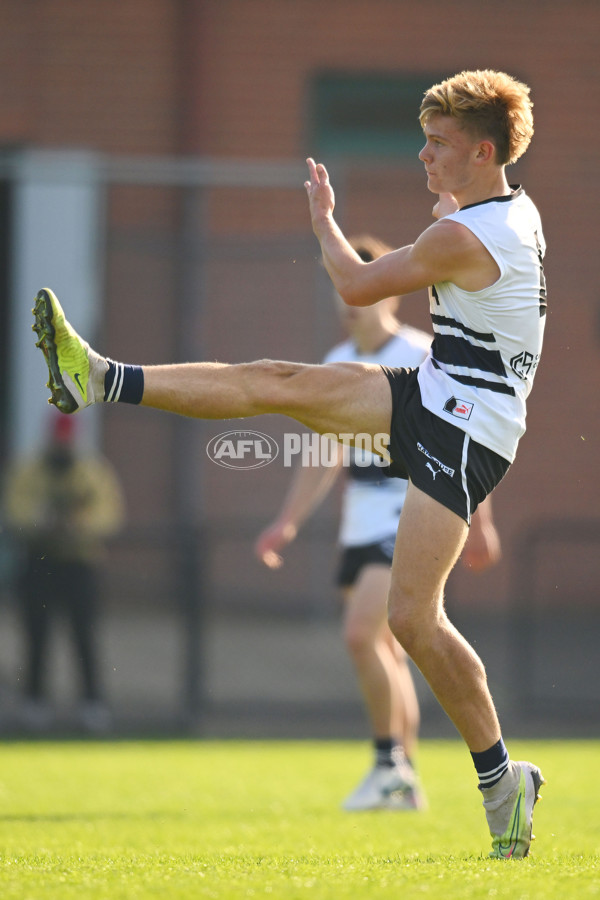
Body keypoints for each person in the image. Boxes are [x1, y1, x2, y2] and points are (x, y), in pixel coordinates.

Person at [32, 69, 545, 857]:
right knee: (280, 379)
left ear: (483, 151)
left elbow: (354, 281)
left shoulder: (467, 235)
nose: (422, 155)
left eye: (438, 144)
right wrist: (452, 203)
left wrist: (325, 222)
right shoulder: (500, 208)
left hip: (468, 428)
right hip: (440, 393)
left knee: (412, 619)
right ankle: (98, 377)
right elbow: (474, 251)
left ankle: (502, 780)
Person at [254, 233, 502, 811]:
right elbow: (322, 458)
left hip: (410, 509)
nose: (351, 300)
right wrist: (286, 522)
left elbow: (465, 435)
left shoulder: (421, 355)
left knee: (361, 633)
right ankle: (405, 775)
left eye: (364, 287)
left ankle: (387, 763)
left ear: (389, 293)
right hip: (359, 520)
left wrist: (481, 519)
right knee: (387, 651)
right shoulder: (338, 366)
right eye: (343, 289)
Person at [3, 411, 125, 733]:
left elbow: (108, 513)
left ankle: (92, 705)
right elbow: (16, 510)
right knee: (37, 635)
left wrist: (77, 526)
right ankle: (34, 703)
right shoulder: (30, 470)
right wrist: (42, 522)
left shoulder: (91, 472)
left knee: (84, 636)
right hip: (39, 563)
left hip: (79, 563)